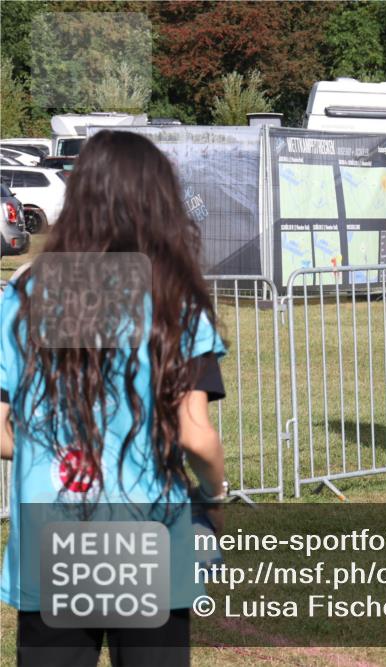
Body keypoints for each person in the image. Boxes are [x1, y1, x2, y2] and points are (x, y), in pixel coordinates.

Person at [0, 130, 228, 666]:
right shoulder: (175, 303)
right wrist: (215, 496)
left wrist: (52, 445)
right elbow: (195, 434)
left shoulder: (23, 296)